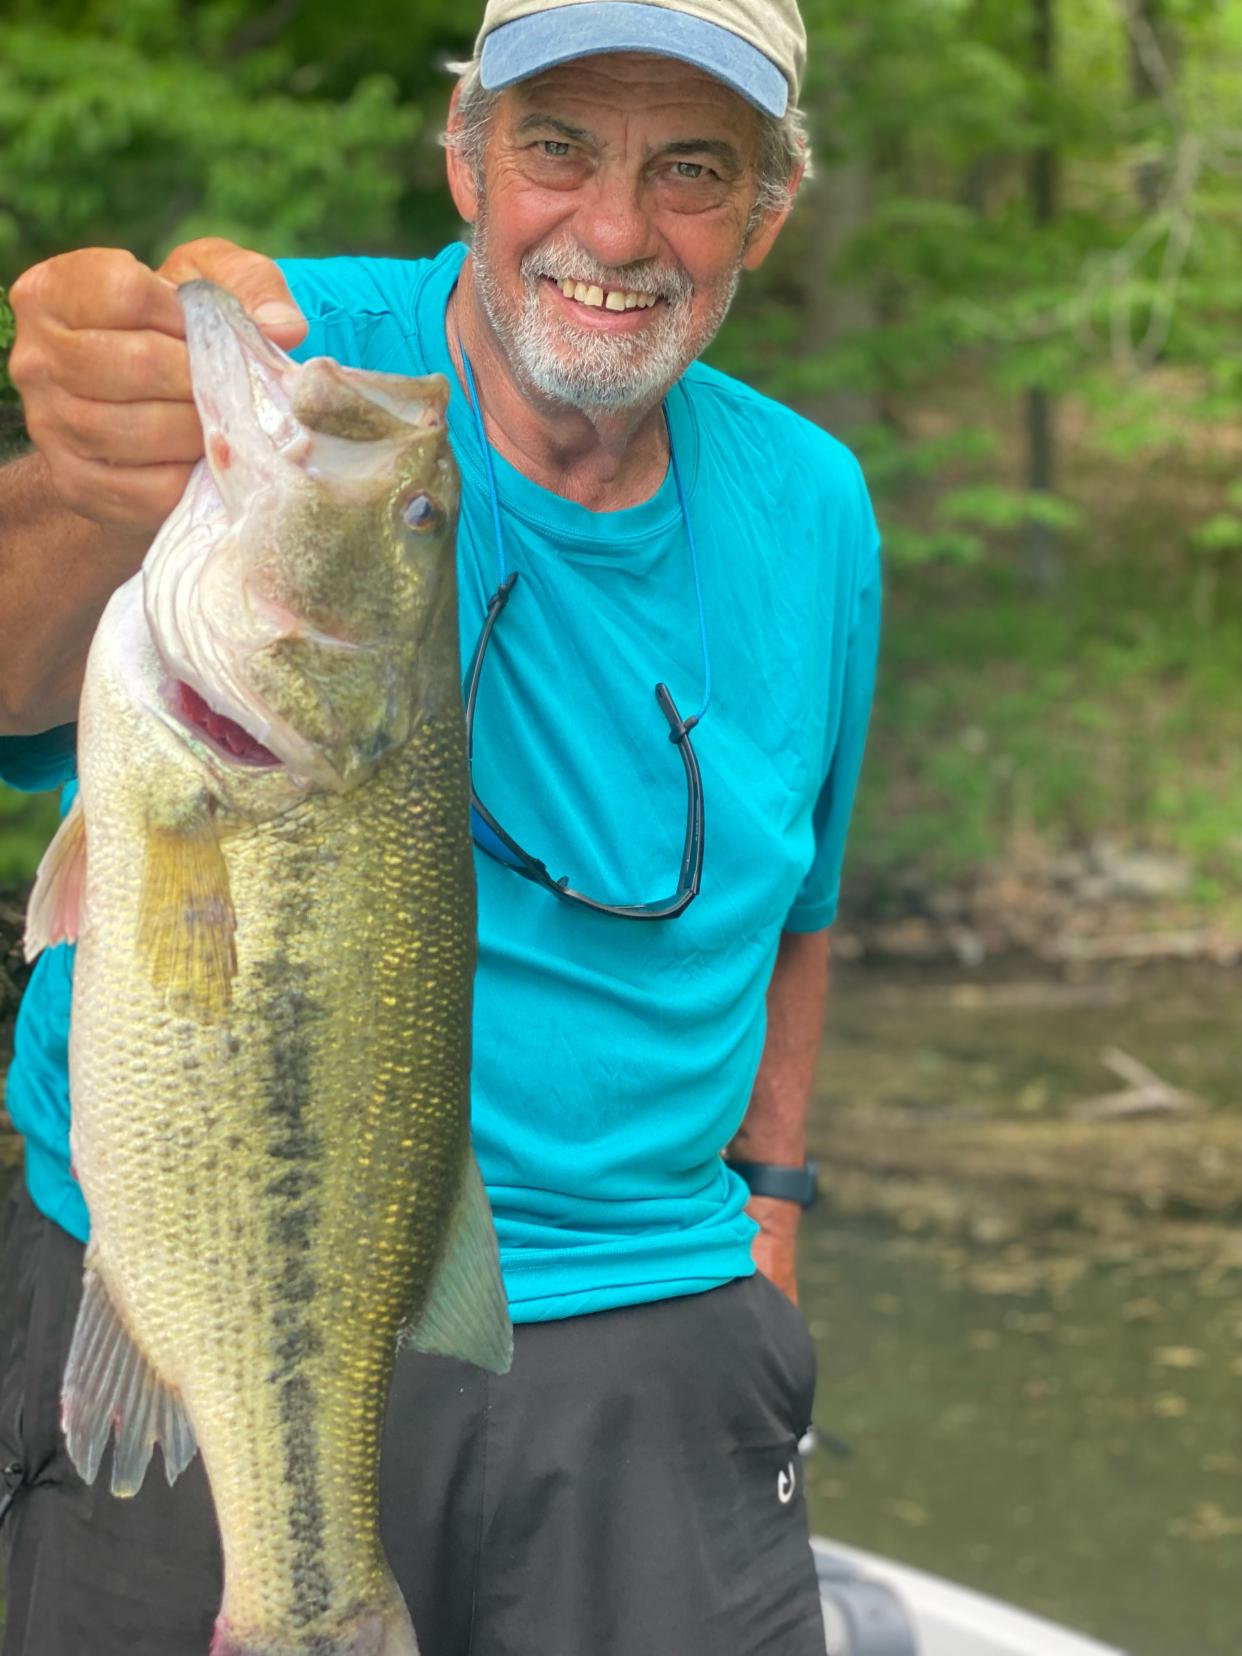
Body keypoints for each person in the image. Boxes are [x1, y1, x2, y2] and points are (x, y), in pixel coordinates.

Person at [0, 0, 881, 1651]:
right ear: (465, 160)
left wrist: (773, 1210)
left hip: (654, 1321)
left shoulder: (814, 502)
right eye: (557, 147)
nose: (614, 230)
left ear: (765, 211)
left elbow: (799, 907)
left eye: (690, 169)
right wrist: (86, 450)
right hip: (201, 1290)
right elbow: (23, 638)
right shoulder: (326, 379)